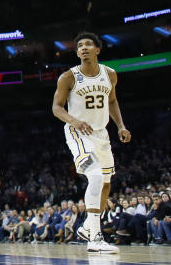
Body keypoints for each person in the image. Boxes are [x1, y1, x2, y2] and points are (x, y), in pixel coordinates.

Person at [52, 31, 131, 254]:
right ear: (77, 53)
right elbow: (56, 107)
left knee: (106, 183)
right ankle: (95, 238)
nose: (84, 48)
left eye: (88, 44)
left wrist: (121, 126)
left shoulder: (110, 74)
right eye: (80, 46)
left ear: (98, 50)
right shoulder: (68, 76)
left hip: (101, 133)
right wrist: (74, 121)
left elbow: (113, 101)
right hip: (78, 133)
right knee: (95, 176)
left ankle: (88, 227)